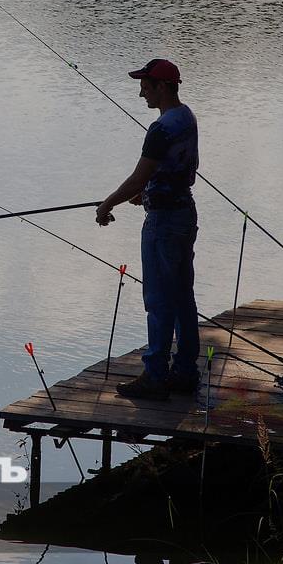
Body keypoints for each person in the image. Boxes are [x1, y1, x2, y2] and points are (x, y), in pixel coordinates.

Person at [96, 59, 199, 400]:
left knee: (158, 300)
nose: (141, 93)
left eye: (146, 86)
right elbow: (182, 168)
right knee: (182, 295)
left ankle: (155, 375)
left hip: (163, 224)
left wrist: (107, 204)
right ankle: (185, 371)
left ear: (163, 86)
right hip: (184, 214)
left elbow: (138, 177)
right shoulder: (186, 118)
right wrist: (149, 190)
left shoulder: (160, 129)